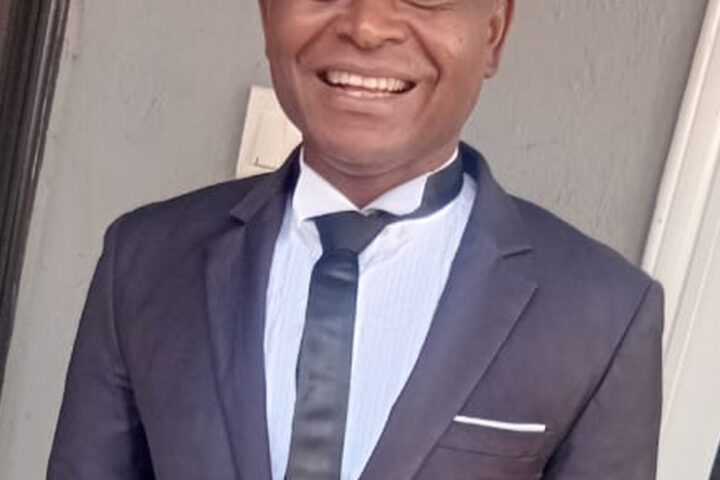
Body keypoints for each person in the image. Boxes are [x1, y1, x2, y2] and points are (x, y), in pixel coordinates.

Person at [47, 0, 663, 479]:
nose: (367, 25)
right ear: (268, 14)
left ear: (493, 32)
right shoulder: (144, 261)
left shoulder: (601, 316)